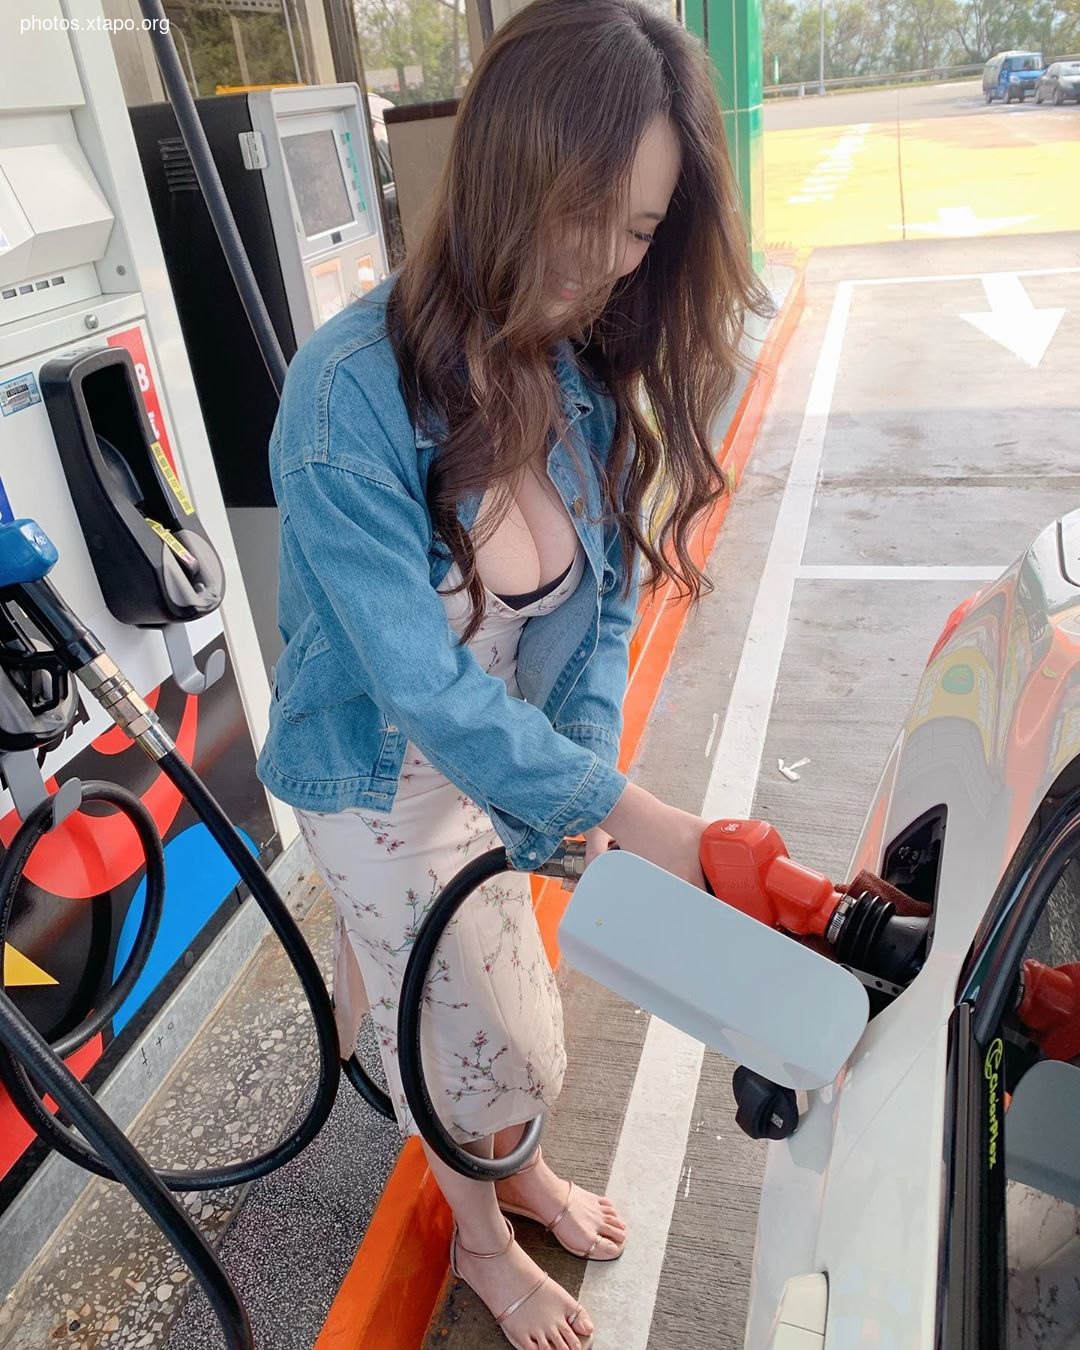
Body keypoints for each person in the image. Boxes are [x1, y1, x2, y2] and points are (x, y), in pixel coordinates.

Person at [257, 0, 771, 1344]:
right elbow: (420, 683)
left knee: (506, 1033)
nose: (611, 260)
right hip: (378, 773)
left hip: (511, 758)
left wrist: (589, 786)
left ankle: (515, 1168)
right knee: (495, 1046)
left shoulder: (573, 371)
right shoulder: (343, 398)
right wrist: (643, 817)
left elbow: (595, 613)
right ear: (505, 167)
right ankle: (482, 1241)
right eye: (594, 208)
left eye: (646, 227)